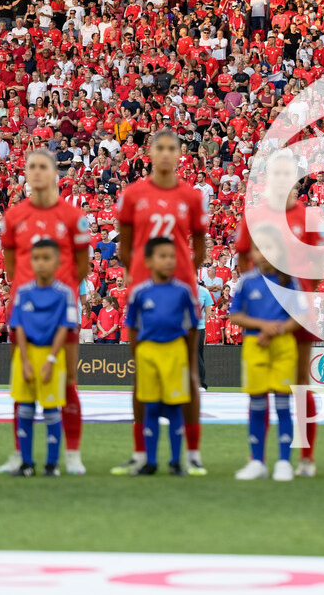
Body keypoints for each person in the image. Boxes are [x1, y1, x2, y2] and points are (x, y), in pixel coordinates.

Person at [112, 130, 208, 477]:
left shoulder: (191, 197)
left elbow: (199, 248)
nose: (166, 154)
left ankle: (192, 453)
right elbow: (124, 247)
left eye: (172, 148)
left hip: (181, 292)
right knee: (142, 377)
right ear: (150, 153)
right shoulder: (133, 194)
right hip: (144, 289)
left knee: (190, 373)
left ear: (180, 153)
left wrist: (183, 272)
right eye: (160, 148)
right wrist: (137, 272)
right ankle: (141, 454)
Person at [0, 150, 91, 476]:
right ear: (25, 173)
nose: (36, 173)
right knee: (23, 381)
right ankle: (20, 454)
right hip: (24, 310)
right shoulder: (14, 216)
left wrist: (60, 293)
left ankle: (73, 454)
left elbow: (82, 265)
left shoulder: (72, 217)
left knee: (68, 382)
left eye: (42, 167)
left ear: (54, 173)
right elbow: (10, 263)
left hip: (60, 310)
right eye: (31, 167)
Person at [236, 152, 324, 478]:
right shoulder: (255, 215)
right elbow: (243, 258)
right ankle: (257, 458)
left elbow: (318, 266)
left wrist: (300, 295)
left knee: (300, 384)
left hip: (297, 313)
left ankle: (304, 457)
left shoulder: (311, 218)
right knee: (260, 387)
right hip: (263, 310)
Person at [230, 227, 304, 482]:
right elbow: (235, 315)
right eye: (258, 249)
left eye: (269, 249)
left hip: (283, 347)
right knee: (257, 405)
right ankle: (257, 462)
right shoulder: (247, 281)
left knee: (283, 405)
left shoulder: (290, 281)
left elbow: (300, 317)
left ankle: (284, 461)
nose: (263, 255)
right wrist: (263, 326)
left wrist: (277, 329)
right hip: (255, 346)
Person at [124, 237, 200, 477]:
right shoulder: (139, 292)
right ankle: (150, 460)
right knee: (151, 406)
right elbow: (133, 328)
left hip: (175, 351)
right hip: (148, 351)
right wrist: (137, 354)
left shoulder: (183, 291)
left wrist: (188, 358)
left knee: (175, 405)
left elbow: (191, 328)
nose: (168, 261)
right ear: (149, 261)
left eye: (172, 256)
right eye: (162, 256)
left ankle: (176, 461)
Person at [7, 239, 79, 478]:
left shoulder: (64, 294)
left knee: (51, 410)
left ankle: (51, 464)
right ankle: (26, 463)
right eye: (36, 258)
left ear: (58, 262)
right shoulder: (23, 292)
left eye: (46, 258)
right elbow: (18, 328)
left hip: (51, 356)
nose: (41, 263)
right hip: (26, 355)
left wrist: (50, 359)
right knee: (25, 409)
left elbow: (63, 328)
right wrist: (25, 361)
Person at [197, 282, 215, 390]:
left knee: (197, 355)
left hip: (198, 328)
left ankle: (201, 383)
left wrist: (202, 323)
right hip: (183, 328)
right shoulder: (181, 289)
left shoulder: (204, 291)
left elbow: (208, 311)